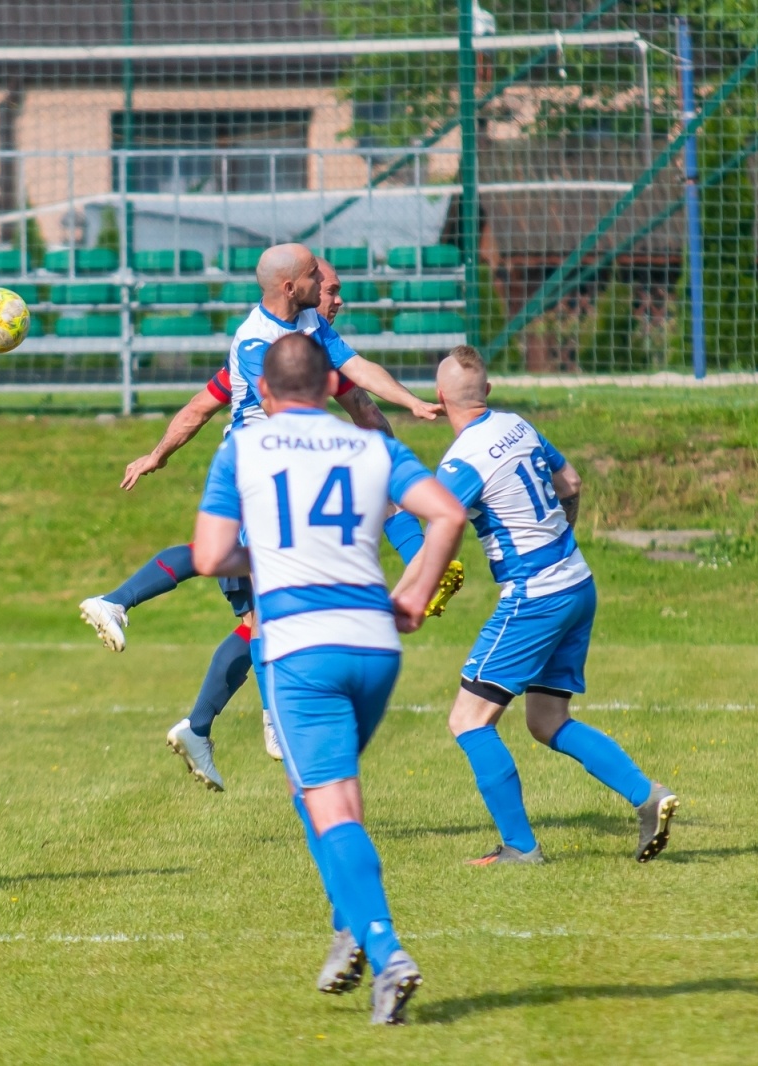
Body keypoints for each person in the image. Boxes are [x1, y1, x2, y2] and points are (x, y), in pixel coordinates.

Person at [77, 257, 462, 790]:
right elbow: (288, 404)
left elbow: (207, 405)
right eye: (323, 284)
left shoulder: (309, 328)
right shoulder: (257, 341)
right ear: (292, 286)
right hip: (261, 465)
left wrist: (410, 402)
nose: (334, 297)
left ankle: (200, 725)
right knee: (258, 580)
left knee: (259, 615)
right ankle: (128, 609)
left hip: (283, 463)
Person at [192, 332, 467, 1024]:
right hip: (374, 643)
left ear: (262, 392)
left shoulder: (245, 447)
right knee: (321, 793)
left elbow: (209, 554)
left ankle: (386, 950)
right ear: (331, 388)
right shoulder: (370, 445)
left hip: (299, 647)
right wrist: (413, 594)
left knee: (331, 803)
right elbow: (447, 513)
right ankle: (349, 924)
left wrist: (272, 557)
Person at [430, 345, 679, 865]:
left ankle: (521, 848)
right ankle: (646, 795)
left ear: (439, 398)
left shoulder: (463, 459)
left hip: (534, 597)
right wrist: (561, 537)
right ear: (488, 392)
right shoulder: (518, 425)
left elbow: (441, 519)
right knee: (546, 719)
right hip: (577, 582)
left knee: (469, 720)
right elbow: (571, 483)